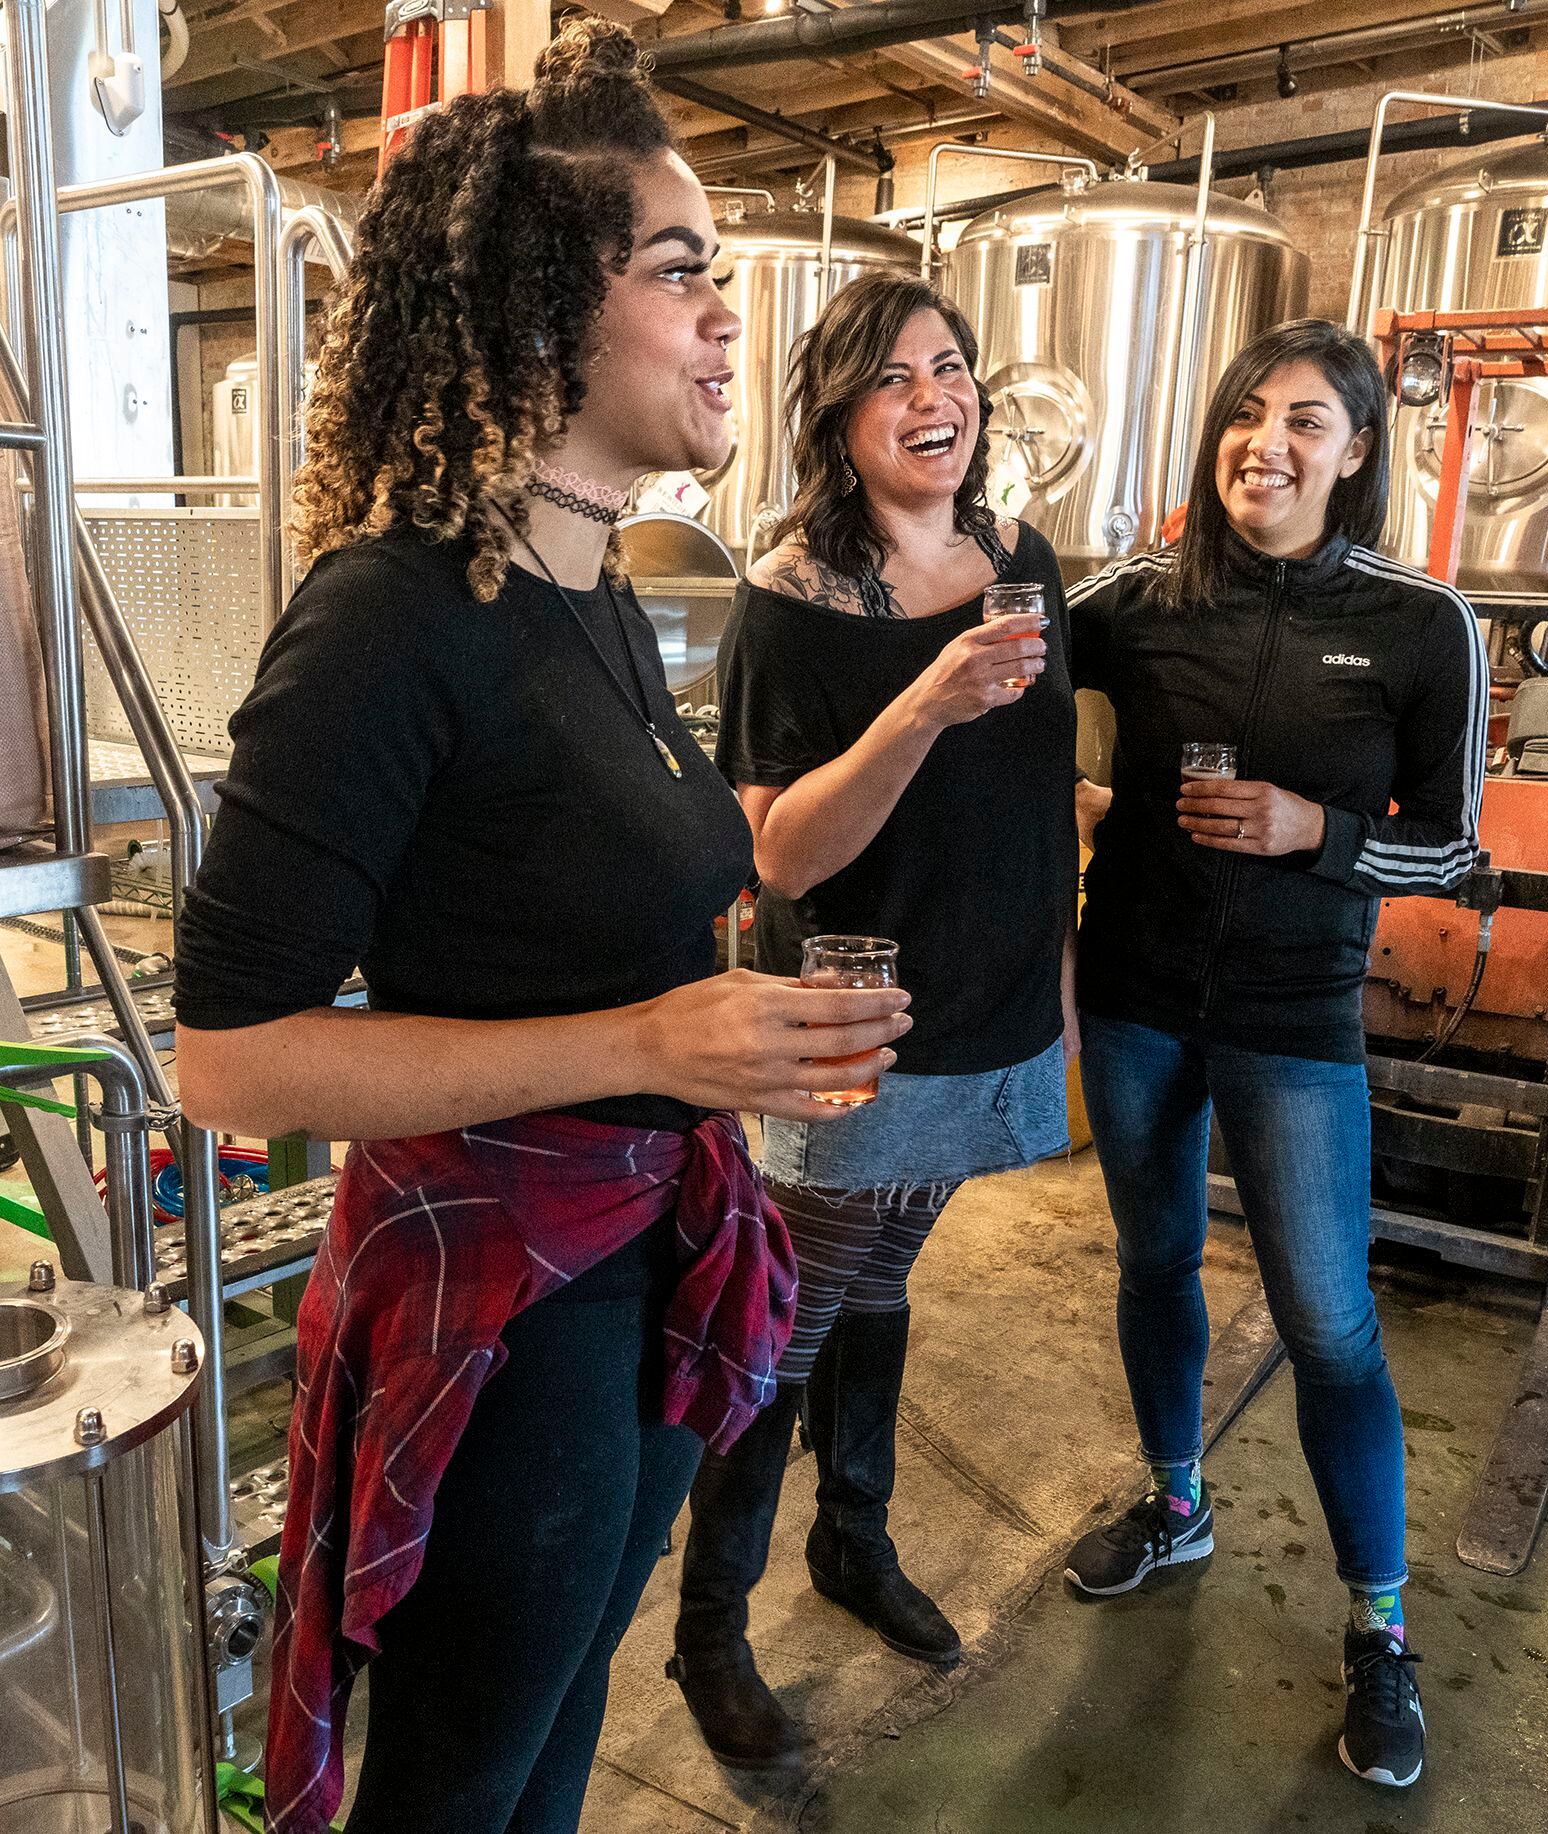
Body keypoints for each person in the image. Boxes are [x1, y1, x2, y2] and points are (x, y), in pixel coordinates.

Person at [170, 26, 910, 1834]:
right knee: (458, 1787)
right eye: (680, 271)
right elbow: (228, 1056)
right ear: (533, 312)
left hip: (642, 1268)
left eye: (720, 274)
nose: (728, 316)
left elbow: (618, 862)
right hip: (503, 1315)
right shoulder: (390, 612)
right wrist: (658, 1045)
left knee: (560, 1739)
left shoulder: (586, 599)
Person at [1062, 318, 1488, 1792]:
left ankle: (1379, 1627)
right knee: (1151, 1262)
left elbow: (1457, 852)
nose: (1270, 443)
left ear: (1356, 449)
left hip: (1297, 1016)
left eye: (1308, 420)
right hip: (1130, 994)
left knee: (1328, 1323)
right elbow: (991, 669)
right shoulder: (1131, 603)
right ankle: (1178, 1500)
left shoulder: (1425, 623)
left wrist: (1321, 834)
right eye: (1248, 415)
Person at [667, 272, 1075, 1769]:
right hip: (856, 1017)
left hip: (997, 1004)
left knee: (884, 1266)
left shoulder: (1022, 561)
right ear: (839, 417)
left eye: (953, 368)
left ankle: (853, 1538)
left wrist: (1061, 1004)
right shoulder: (793, 600)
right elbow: (777, 852)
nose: (935, 397)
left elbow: (1035, 809)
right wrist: (927, 701)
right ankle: (710, 1623)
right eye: (895, 376)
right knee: (789, 1316)